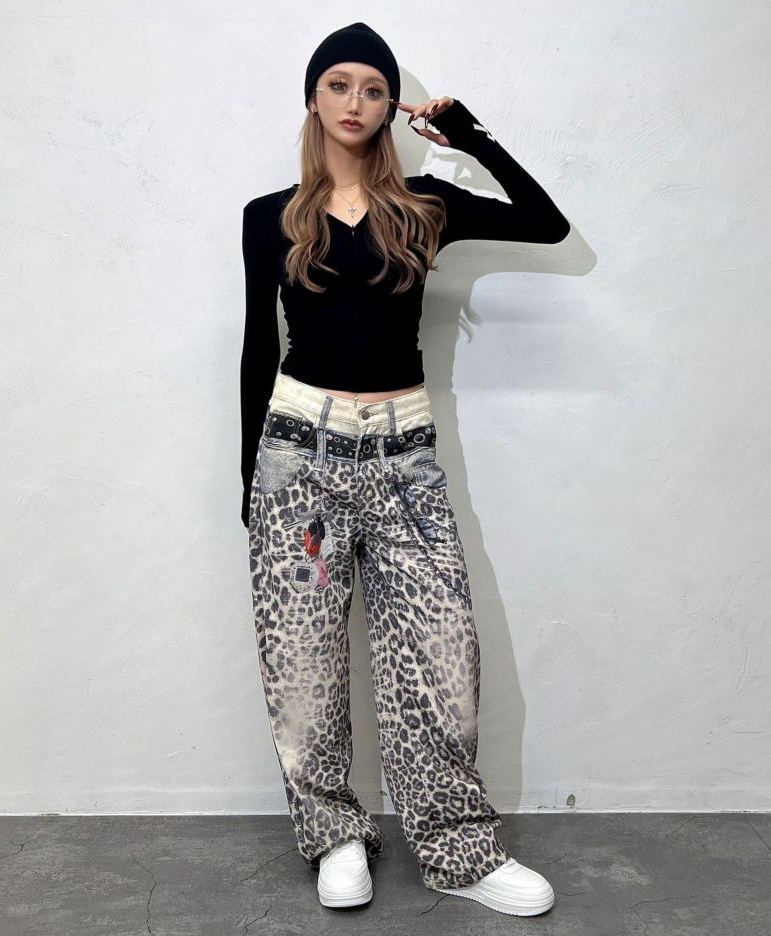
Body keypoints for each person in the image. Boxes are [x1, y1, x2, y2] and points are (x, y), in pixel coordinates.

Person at [241, 22, 569, 916]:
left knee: (441, 658)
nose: (355, 101)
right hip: (298, 463)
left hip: (405, 462)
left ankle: (458, 847)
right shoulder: (270, 215)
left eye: (374, 88)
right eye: (338, 84)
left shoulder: (426, 205)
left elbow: (545, 225)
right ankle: (336, 836)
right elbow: (257, 347)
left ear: (391, 107)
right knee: (302, 667)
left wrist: (471, 138)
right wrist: (251, 485)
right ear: (313, 97)